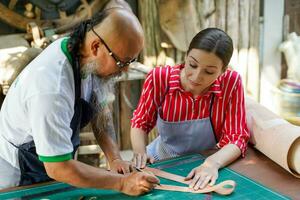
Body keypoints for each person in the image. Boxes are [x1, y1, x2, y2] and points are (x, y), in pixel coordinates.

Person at [0, 8, 159, 196]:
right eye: (121, 62)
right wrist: (122, 183)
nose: (124, 71)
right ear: (96, 47)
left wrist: (114, 158)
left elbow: (100, 110)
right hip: (18, 174)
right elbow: (58, 167)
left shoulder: (82, 56)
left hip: (52, 165)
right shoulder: (52, 88)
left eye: (130, 62)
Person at [131, 28, 250, 190]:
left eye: (209, 71)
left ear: (223, 70)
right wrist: (140, 154)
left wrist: (211, 164)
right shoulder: (159, 78)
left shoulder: (231, 82)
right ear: (186, 56)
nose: (196, 76)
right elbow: (140, 123)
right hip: (162, 161)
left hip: (205, 163)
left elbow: (237, 137)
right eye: (192, 64)